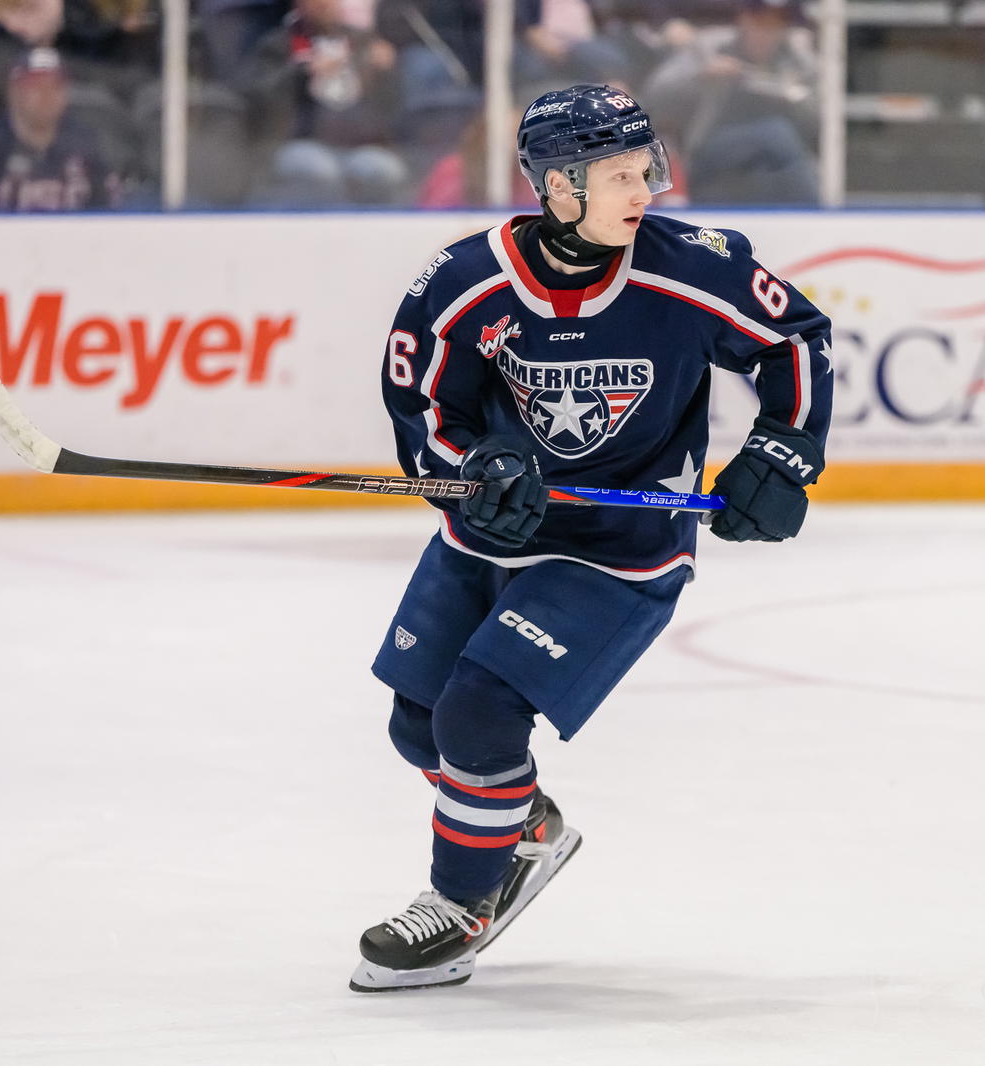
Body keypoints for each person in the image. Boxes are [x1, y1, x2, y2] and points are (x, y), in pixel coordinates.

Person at [354, 83, 834, 993]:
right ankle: (522, 826)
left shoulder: (693, 267)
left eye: (646, 167)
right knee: (416, 721)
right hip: (491, 537)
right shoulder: (463, 281)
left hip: (621, 543)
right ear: (557, 186)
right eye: (619, 174)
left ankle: (462, 900)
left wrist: (782, 451)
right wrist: (473, 469)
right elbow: (422, 409)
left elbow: (795, 342)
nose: (645, 189)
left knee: (480, 714)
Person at [642, 0, 819, 203]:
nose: (765, 33)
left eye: (775, 25)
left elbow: (817, 121)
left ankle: (811, 220)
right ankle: (818, 215)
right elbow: (655, 94)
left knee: (778, 149)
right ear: (743, 20)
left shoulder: (797, 59)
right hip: (709, 149)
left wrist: (789, 92)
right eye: (759, 22)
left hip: (776, 160)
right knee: (776, 134)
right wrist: (702, 75)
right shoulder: (710, 46)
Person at [236, 0, 406, 205]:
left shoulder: (361, 41)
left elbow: (392, 103)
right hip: (301, 141)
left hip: (359, 143)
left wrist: (386, 72)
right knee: (320, 170)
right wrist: (304, 72)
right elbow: (259, 95)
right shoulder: (279, 43)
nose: (324, 5)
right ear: (299, 5)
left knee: (383, 169)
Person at [0, 46, 119, 210]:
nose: (47, 95)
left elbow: (110, 216)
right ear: (14, 92)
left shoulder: (86, 143)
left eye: (55, 86)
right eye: (35, 86)